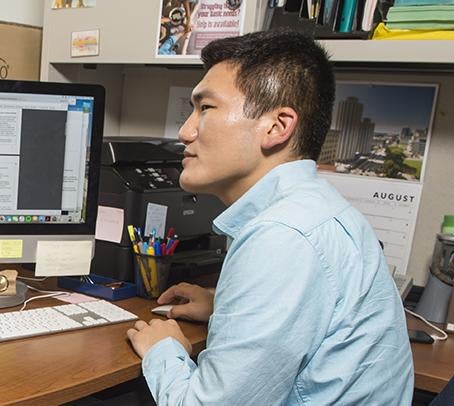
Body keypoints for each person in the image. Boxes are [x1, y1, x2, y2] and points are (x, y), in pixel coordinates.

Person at [125, 31, 414, 405]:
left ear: (277, 127)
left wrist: (164, 349)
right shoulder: (317, 207)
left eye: (206, 108)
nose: (185, 131)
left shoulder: (282, 236)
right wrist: (225, 308)